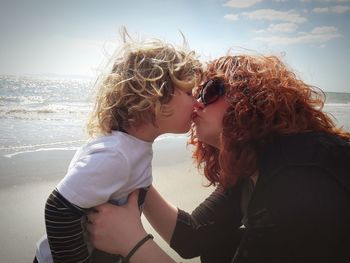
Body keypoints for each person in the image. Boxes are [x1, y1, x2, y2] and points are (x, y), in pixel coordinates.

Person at [87, 53, 350, 263]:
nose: (196, 104)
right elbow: (193, 236)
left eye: (209, 91)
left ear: (251, 95)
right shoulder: (254, 159)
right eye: (194, 94)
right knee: (219, 249)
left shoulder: (301, 176)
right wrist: (135, 172)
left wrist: (133, 245)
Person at [34, 29, 202, 263]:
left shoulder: (134, 148)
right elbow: (58, 208)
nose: (197, 102)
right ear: (155, 97)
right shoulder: (115, 154)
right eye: (188, 92)